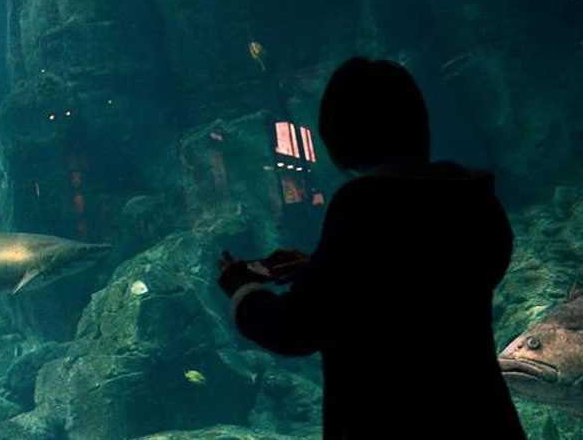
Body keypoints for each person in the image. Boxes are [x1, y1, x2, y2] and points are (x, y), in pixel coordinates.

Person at [218, 58, 526, 439]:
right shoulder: (473, 201)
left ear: (342, 139)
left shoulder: (362, 208)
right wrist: (319, 267)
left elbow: (296, 329)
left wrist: (242, 291)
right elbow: (415, 281)